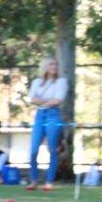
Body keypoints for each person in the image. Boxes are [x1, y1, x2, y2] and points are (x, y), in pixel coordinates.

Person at [26, 56, 67, 190]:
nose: (54, 67)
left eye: (56, 64)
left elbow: (58, 100)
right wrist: (47, 101)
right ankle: (34, 181)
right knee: (33, 150)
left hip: (53, 115)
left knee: (52, 149)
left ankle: (49, 181)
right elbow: (31, 99)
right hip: (39, 115)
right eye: (51, 64)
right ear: (45, 67)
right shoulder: (37, 82)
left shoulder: (61, 82)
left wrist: (41, 101)